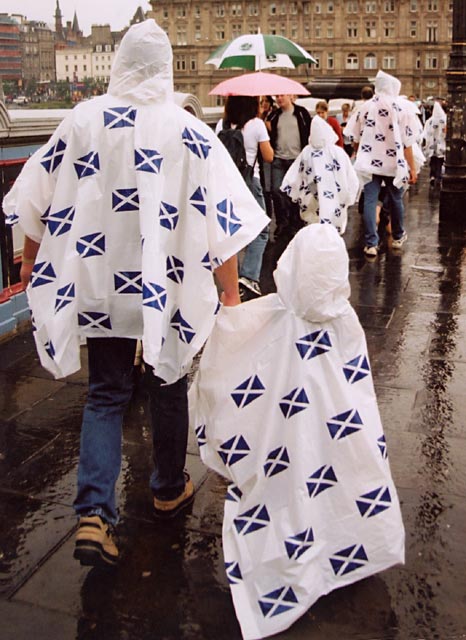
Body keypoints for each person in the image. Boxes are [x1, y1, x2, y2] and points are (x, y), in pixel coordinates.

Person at [3, 20, 268, 568]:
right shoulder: (188, 128)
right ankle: (168, 486)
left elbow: (35, 195)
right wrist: (229, 295)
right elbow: (223, 218)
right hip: (164, 284)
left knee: (105, 391)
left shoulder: (82, 120)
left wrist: (31, 264)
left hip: (102, 285)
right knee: (167, 379)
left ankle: (95, 514)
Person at [189, 223, 405, 640]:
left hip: (285, 446)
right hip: (341, 442)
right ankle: (353, 535)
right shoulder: (346, 323)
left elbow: (238, 357)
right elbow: (355, 389)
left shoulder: (276, 316)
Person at [345, 70, 418, 257]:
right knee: (395, 199)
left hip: (370, 161)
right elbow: (408, 143)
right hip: (393, 163)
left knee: (370, 199)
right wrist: (412, 168)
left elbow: (355, 137)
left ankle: (371, 243)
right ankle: (398, 236)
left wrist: (359, 151)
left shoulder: (366, 107)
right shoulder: (402, 107)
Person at [216, 95, 274, 299]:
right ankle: (249, 276)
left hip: (227, 182)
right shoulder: (256, 124)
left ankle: (232, 280)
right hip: (250, 181)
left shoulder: (221, 125)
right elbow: (269, 156)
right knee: (261, 230)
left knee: (230, 231)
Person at [280, 116, 359, 235]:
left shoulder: (307, 152)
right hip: (336, 198)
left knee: (314, 231)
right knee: (332, 231)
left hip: (312, 198)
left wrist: (297, 191)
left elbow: (295, 174)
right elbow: (351, 177)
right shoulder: (337, 152)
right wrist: (349, 195)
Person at [267, 94, 312, 239]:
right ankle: (282, 221)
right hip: (279, 159)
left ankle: (295, 221)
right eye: (277, 96)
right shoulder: (274, 116)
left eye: (282, 96)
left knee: (296, 192)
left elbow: (309, 133)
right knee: (276, 190)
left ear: (290, 96)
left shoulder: (301, 113)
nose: (279, 99)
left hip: (297, 160)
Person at [422, 100, 447, 187]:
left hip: (432, 144)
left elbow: (425, 132)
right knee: (440, 161)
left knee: (433, 160)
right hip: (441, 144)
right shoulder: (445, 119)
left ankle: (432, 176)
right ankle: (439, 176)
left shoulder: (430, 120)